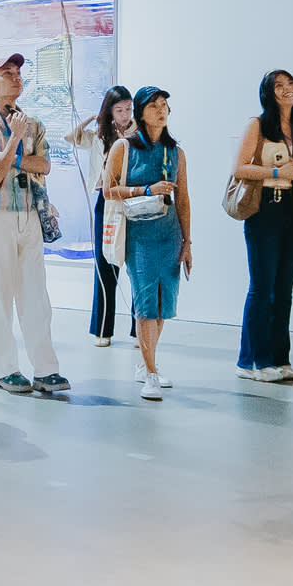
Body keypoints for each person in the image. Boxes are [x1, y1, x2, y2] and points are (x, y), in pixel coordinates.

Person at [0, 54, 64, 396]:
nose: (16, 77)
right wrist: (15, 143)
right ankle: (5, 369)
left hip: (30, 213)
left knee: (36, 294)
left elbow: (44, 165)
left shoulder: (33, 124)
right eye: (7, 73)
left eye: (18, 72)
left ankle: (46, 369)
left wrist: (12, 158)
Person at [103, 86, 192, 397]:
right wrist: (146, 190)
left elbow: (183, 200)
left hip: (169, 235)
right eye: (154, 105)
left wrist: (187, 241)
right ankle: (151, 373)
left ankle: (146, 362)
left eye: (164, 104)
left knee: (162, 303)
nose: (161, 110)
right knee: (145, 303)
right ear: (140, 112)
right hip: (139, 235)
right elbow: (108, 190)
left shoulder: (176, 152)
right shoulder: (124, 148)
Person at [231, 69, 293, 382]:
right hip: (265, 207)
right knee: (262, 287)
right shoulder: (257, 124)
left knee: (284, 290)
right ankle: (253, 361)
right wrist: (278, 172)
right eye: (278, 85)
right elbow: (240, 168)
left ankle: (281, 358)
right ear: (268, 93)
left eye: (291, 83)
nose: (287, 89)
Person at [70, 86, 138, 347]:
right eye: (119, 110)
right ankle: (102, 330)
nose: (125, 115)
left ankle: (139, 330)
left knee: (136, 265)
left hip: (133, 199)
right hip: (106, 201)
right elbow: (72, 138)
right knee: (104, 263)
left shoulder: (139, 133)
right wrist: (91, 120)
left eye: (128, 109)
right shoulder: (101, 134)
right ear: (109, 111)